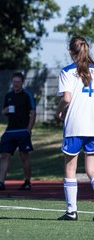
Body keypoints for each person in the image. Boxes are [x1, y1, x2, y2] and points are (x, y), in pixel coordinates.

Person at [56, 36, 94, 221]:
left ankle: (72, 211)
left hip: (74, 125)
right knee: (92, 171)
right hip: (93, 125)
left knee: (70, 168)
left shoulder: (68, 71)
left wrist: (59, 111)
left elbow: (67, 99)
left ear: (71, 51)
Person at [0, 72, 36, 191]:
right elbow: (4, 112)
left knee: (24, 156)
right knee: (4, 155)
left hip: (22, 130)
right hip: (10, 131)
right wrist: (4, 111)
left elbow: (33, 113)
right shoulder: (8, 95)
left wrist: (28, 129)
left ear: (22, 82)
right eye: (14, 81)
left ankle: (27, 182)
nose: (16, 84)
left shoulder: (27, 95)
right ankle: (1, 182)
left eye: (18, 82)